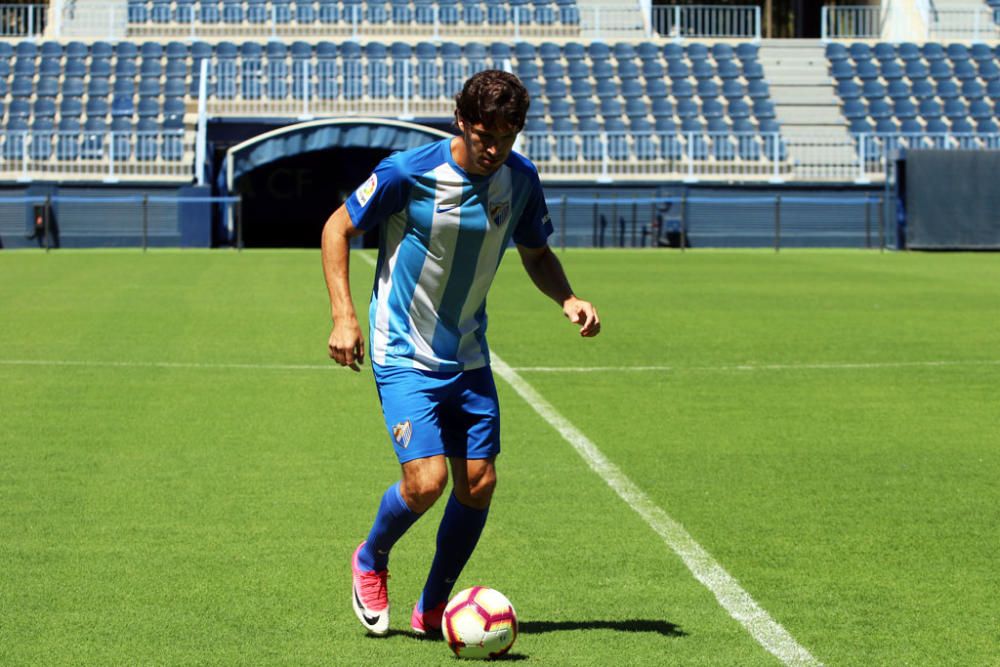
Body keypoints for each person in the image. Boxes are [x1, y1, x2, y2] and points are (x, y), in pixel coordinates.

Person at [321, 70, 601, 637]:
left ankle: (433, 606)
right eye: (484, 135)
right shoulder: (409, 172)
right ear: (462, 123)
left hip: (469, 354)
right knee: (426, 482)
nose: (495, 148)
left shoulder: (520, 180)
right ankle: (371, 559)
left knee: (479, 482)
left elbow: (536, 252)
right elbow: (337, 228)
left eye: (507, 136)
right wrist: (344, 317)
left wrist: (567, 297)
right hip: (402, 349)